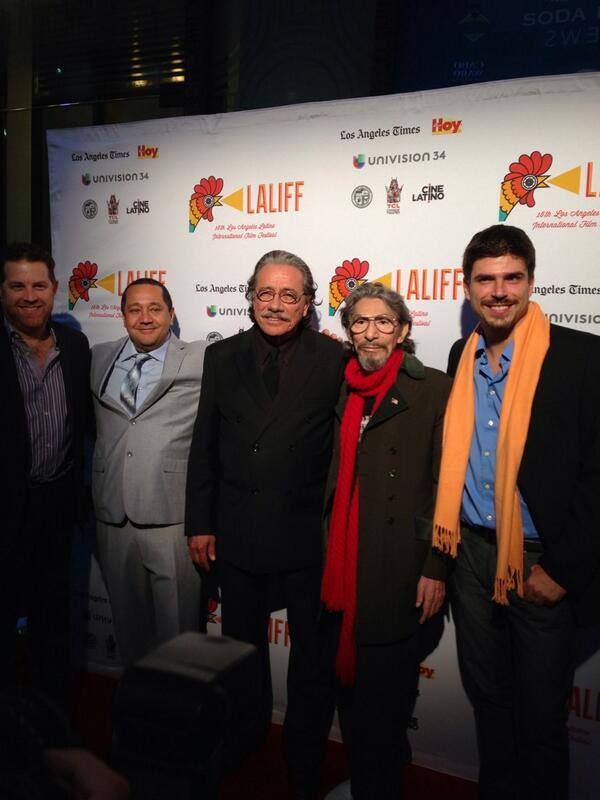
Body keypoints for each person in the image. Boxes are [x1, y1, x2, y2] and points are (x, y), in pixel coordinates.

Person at [433, 224, 600, 799]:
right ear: (467, 286)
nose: (498, 291)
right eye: (485, 279)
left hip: (538, 562)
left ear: (531, 280)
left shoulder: (580, 355)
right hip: (472, 556)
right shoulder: (462, 353)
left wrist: (563, 570)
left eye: (511, 278)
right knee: (489, 700)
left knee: (541, 717)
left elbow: (597, 476)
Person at [185, 250, 344, 799]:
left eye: (288, 295)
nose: (275, 305)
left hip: (308, 537)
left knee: (312, 660)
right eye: (265, 293)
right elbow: (204, 445)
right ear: (250, 296)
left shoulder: (334, 358)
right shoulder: (222, 356)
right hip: (237, 529)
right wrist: (199, 523)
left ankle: (303, 752)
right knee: (241, 650)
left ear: (308, 303)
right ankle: (245, 734)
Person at [321, 282, 450, 799]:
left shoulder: (433, 388)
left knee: (389, 699)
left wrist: (437, 566)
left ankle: (383, 787)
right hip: (342, 563)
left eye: (382, 322)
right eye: (359, 322)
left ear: (401, 330)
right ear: (347, 331)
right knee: (350, 696)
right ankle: (363, 784)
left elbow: (447, 486)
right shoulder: (341, 386)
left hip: (400, 567)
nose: (370, 332)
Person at [91, 278, 206, 666]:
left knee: (180, 637)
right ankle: (138, 719)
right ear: (122, 316)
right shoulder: (97, 358)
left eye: (155, 309)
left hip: (171, 518)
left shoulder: (200, 358)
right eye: (134, 309)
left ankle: (182, 719)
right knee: (129, 634)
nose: (145, 318)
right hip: (112, 518)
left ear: (171, 315)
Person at [0, 242, 91, 709]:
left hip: (56, 511)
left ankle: (52, 728)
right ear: (2, 291)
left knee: (52, 627)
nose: (29, 296)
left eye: (39, 285)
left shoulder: (75, 346)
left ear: (55, 289)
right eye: (17, 286)